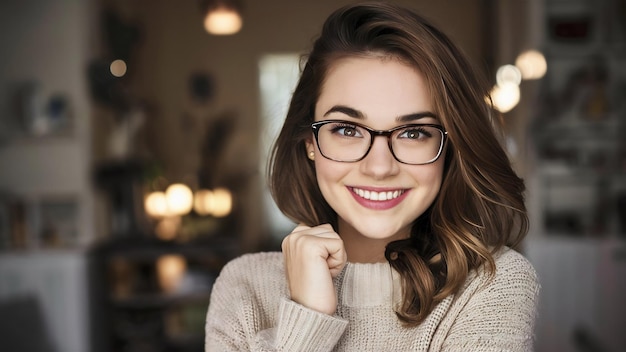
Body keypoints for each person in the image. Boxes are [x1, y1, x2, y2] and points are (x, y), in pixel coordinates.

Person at [205, 2, 540, 351]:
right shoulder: (243, 287)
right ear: (310, 143)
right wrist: (306, 317)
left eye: (413, 133)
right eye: (347, 129)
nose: (379, 168)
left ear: (449, 147)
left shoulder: (493, 283)